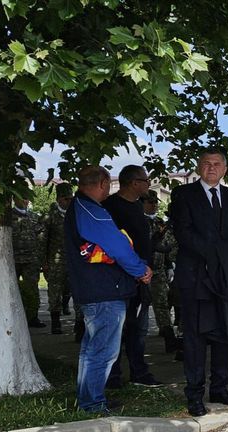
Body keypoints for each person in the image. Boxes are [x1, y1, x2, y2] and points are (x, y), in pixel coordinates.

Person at [64, 166, 152, 414]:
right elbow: (118, 246)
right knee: (103, 350)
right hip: (104, 290)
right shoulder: (92, 211)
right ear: (103, 182)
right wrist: (140, 270)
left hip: (92, 289)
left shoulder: (78, 206)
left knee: (91, 349)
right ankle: (92, 404)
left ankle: (88, 398)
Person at [168, 148, 228, 417]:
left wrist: (226, 257)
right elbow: (183, 232)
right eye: (206, 164)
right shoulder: (183, 195)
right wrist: (216, 254)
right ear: (198, 167)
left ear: (224, 169)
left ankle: (220, 387)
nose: (211, 168)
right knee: (195, 337)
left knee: (225, 334)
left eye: (217, 164)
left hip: (225, 278)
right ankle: (194, 393)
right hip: (196, 278)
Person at [102, 165, 164, 388]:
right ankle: (113, 376)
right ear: (134, 183)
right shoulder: (110, 207)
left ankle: (139, 372)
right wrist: (135, 269)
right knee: (118, 328)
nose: (148, 185)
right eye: (146, 181)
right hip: (121, 278)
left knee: (138, 328)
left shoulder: (138, 206)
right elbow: (115, 245)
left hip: (141, 278)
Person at [149, 191, 180, 355]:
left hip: (158, 269)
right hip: (138, 269)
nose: (153, 205)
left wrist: (169, 265)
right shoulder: (137, 221)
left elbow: (169, 247)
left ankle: (169, 335)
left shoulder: (160, 223)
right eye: (149, 202)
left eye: (155, 202)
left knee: (162, 303)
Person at [42, 183, 74, 335]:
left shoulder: (75, 215)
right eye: (66, 199)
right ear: (59, 199)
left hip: (74, 260)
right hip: (56, 261)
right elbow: (43, 240)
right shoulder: (50, 216)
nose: (69, 202)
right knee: (54, 290)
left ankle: (78, 322)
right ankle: (55, 321)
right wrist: (44, 262)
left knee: (71, 288)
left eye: (70, 198)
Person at [11, 197, 46, 327]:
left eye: (27, 199)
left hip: (31, 260)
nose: (25, 201)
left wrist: (41, 258)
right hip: (13, 259)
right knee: (12, 288)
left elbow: (41, 238)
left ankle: (32, 317)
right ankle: (13, 317)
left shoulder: (34, 216)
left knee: (32, 288)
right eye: (22, 198)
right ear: (15, 198)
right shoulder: (8, 216)